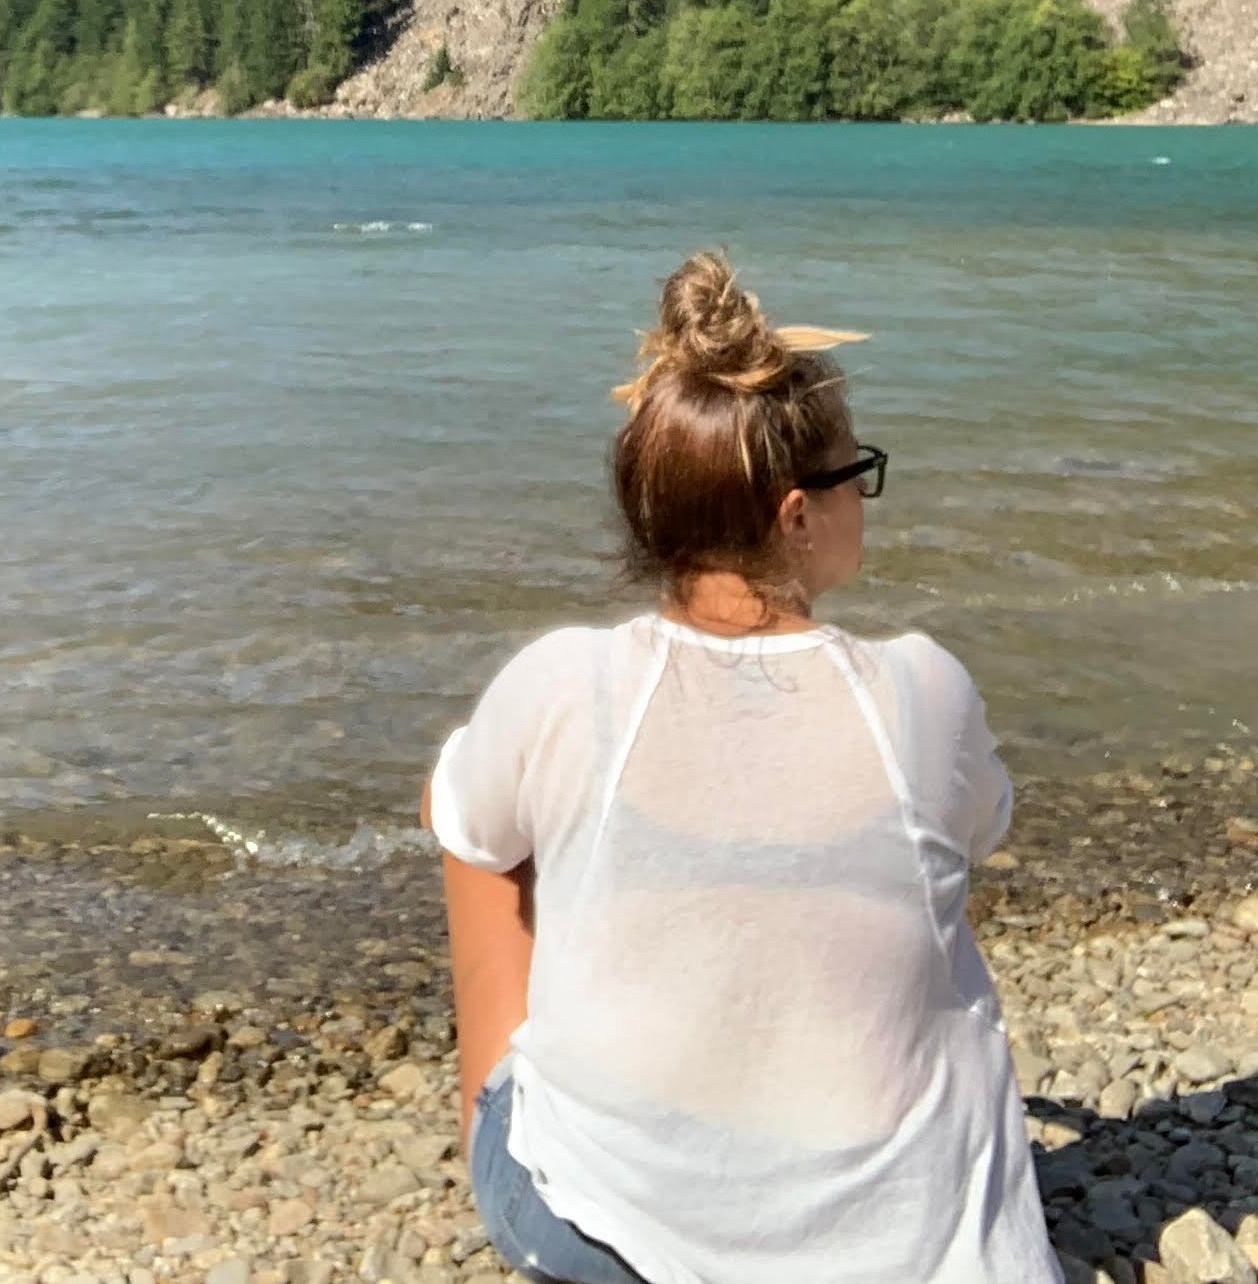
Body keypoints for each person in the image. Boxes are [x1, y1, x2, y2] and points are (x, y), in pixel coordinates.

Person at [421, 251, 1052, 1284]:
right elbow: (982, 822)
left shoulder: (561, 681)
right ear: (797, 515)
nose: (867, 499)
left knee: (481, 808)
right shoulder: (923, 689)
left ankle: (508, 1106)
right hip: (900, 1247)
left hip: (593, 1227)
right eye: (859, 476)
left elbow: (459, 820)